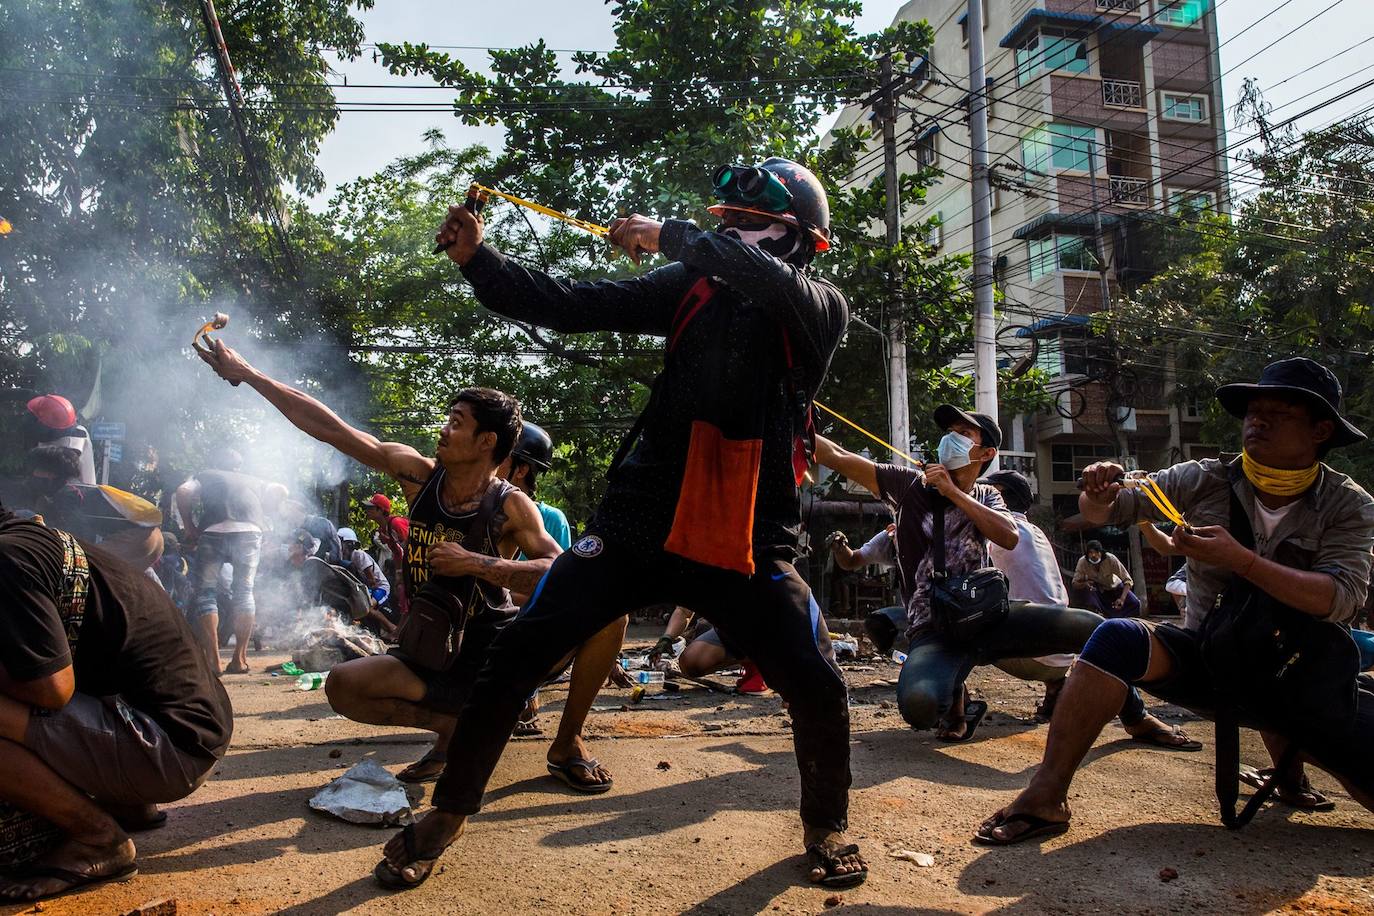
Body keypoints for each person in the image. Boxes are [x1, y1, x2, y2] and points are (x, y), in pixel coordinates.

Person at [389, 156, 865, 892]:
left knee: (817, 681)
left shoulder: (817, 305)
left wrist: (672, 233)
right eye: (725, 223)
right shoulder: (691, 286)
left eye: (749, 225)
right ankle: (446, 815)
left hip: (747, 530)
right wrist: (479, 261)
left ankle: (825, 826)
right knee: (517, 653)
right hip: (641, 515)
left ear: (805, 239)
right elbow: (572, 302)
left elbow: (761, 278)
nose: (732, 236)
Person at [976, 357, 1374, 845]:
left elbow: (1340, 599)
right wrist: (1096, 493)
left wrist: (1243, 560)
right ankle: (1045, 795)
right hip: (1211, 657)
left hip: (1299, 676)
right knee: (1114, 638)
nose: (1258, 421)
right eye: (1253, 410)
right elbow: (1115, 507)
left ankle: (1290, 774)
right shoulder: (1203, 477)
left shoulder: (1349, 504)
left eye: (1280, 413)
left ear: (1321, 430)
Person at [0, 509, 232, 901]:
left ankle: (98, 839)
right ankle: (129, 803)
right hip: (194, 731)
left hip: (169, 749)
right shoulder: (36, 541)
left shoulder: (8, 558)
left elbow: (52, 690)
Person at [980, 469, 1195, 746]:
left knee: (959, 623)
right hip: (1063, 655)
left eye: (986, 493)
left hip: (1030, 656)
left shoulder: (997, 534)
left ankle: (953, 706)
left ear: (998, 497)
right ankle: (1126, 712)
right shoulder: (1036, 532)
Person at [174, 449, 286, 675]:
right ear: (239, 465)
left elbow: (183, 491)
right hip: (249, 533)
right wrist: (266, 514)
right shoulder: (254, 480)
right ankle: (239, 659)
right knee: (244, 591)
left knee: (206, 593)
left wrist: (188, 526)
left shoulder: (205, 475)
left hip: (212, 532)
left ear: (216, 463)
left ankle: (214, 661)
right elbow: (281, 490)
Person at [24, 445, 165, 576]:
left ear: (50, 473)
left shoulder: (66, 494)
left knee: (80, 571)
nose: (33, 474)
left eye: (36, 469)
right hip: (154, 538)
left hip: (137, 537)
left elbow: (79, 537)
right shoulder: (76, 488)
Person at [650, 607, 770, 694]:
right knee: (691, 661)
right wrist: (667, 638)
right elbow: (684, 610)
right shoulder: (702, 573)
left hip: (767, 624)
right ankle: (750, 665)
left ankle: (768, 669)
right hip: (730, 626)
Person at [25, 394, 96, 486]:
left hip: (75, 490)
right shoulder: (49, 435)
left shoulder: (76, 437)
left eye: (41, 416)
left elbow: (57, 468)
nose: (38, 421)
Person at [364, 493, 410, 617]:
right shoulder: (382, 529)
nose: (367, 510)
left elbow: (411, 547)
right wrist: (399, 573)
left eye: (371, 507)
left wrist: (404, 573)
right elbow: (396, 552)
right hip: (403, 566)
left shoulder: (396, 523)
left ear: (380, 510)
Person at [1071, 540, 1141, 618]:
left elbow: (1127, 580)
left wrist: (1122, 599)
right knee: (1087, 594)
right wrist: (1084, 584)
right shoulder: (1082, 562)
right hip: (1098, 592)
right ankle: (1098, 616)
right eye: (1090, 552)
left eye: (1096, 552)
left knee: (1134, 603)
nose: (1093, 555)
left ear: (1101, 553)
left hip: (1115, 588)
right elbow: (1074, 583)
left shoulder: (1110, 559)